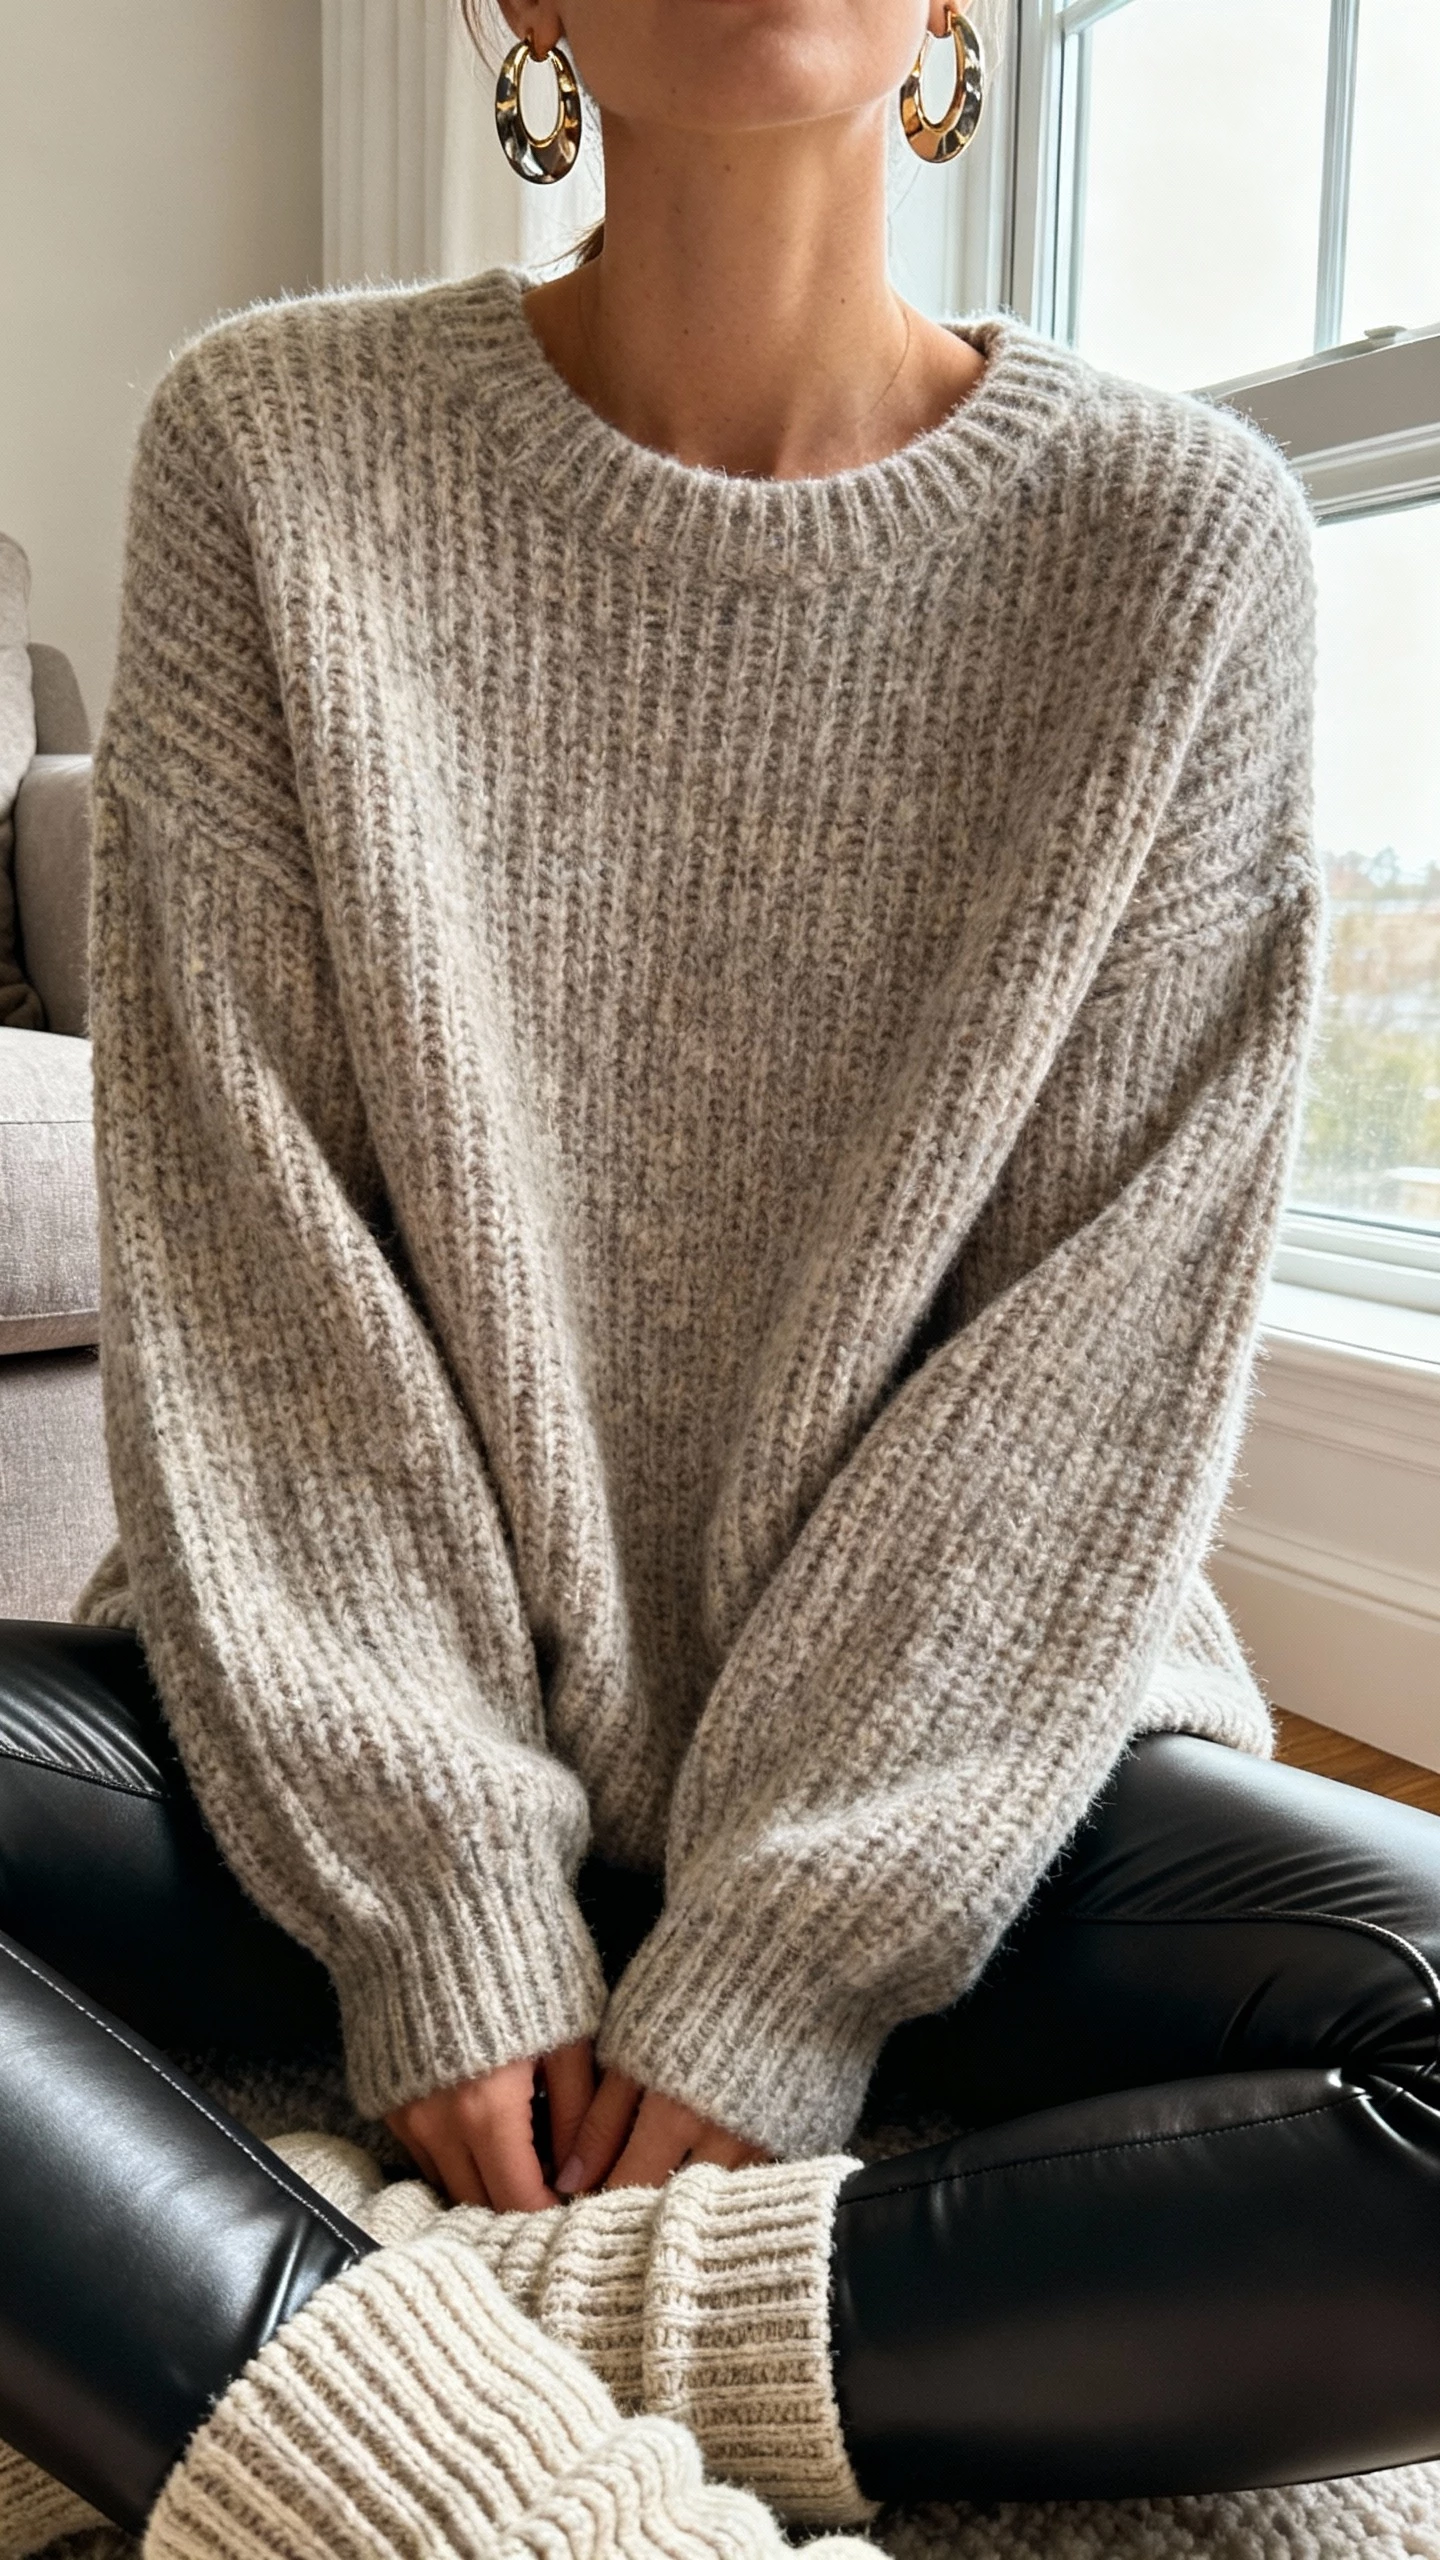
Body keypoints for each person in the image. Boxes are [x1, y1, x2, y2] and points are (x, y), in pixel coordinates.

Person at [8, 0, 1440, 2545]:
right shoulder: (274, 446)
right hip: (318, 1765)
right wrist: (442, 1895)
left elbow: (1089, 1361)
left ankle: (394, 2335)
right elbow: (252, 1257)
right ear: (522, 5)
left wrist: (792, 1957)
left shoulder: (1182, 537)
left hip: (966, 1796)